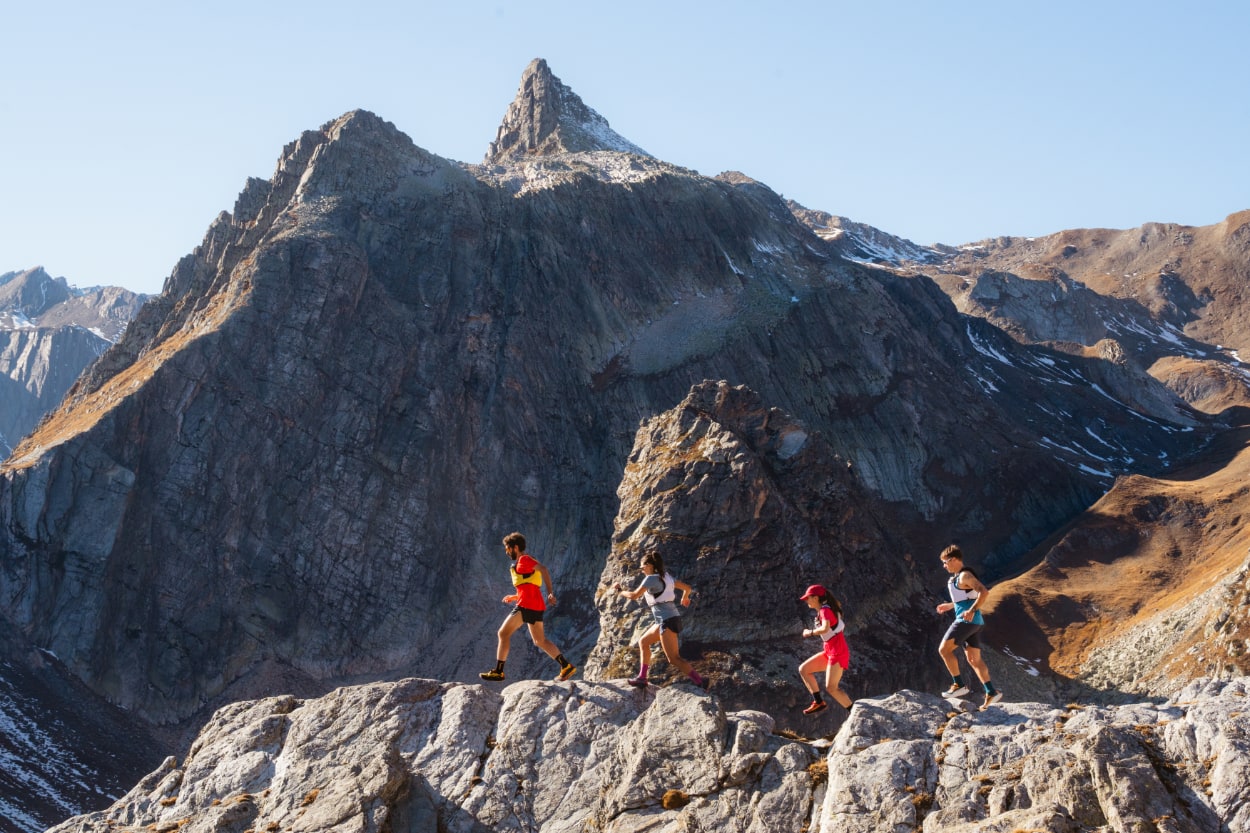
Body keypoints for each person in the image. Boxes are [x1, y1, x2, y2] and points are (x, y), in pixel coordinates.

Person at [480, 532, 576, 682]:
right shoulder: (523, 562)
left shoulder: (524, 559)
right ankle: (566, 666)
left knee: (503, 633)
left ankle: (498, 671)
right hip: (535, 604)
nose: (507, 552)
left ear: (515, 547)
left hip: (526, 605)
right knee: (540, 641)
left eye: (508, 548)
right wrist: (515, 596)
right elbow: (529, 585)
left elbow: (544, 569)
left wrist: (550, 593)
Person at [612, 551, 707, 689]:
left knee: (674, 659)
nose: (642, 570)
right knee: (643, 642)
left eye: (642, 567)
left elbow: (633, 596)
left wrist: (620, 591)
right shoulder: (667, 577)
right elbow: (688, 588)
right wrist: (684, 597)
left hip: (666, 621)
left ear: (649, 565)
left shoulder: (650, 579)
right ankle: (642, 678)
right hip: (669, 618)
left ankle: (700, 682)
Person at [935, 544, 1002, 710]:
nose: (944, 566)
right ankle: (991, 691)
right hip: (975, 623)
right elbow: (967, 597)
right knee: (974, 659)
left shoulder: (964, 575)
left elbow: (983, 592)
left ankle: (958, 685)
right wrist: (950, 605)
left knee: (944, 650)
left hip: (966, 621)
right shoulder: (958, 578)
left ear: (955, 559)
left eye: (946, 562)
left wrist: (971, 610)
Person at [797, 584, 853, 715]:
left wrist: (809, 633)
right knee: (804, 670)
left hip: (838, 652)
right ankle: (818, 702)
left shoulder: (824, 611)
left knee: (831, 688)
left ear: (815, 598)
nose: (806, 601)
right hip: (830, 651)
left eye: (808, 598)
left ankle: (854, 711)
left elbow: (825, 628)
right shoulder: (825, 609)